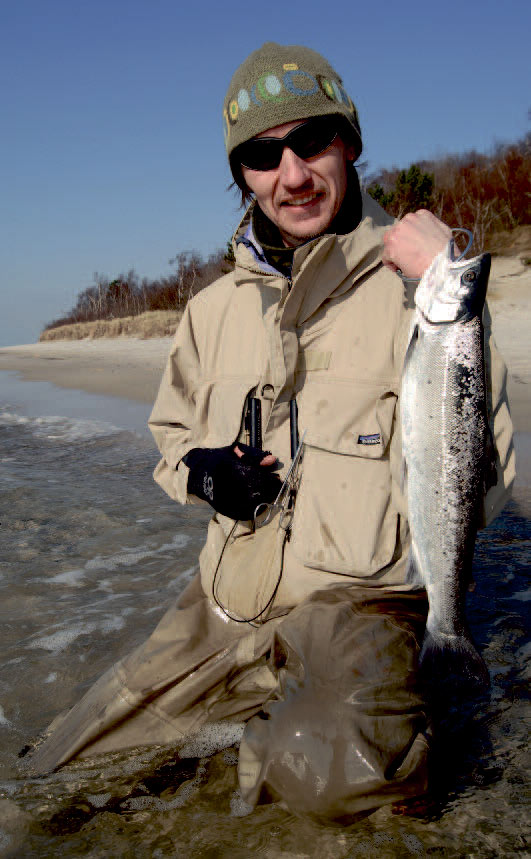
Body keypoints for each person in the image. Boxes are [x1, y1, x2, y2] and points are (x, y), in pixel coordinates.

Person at [27, 43, 515, 822]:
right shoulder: (209, 312)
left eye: (311, 140)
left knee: (348, 780)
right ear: (242, 173)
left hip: (361, 603)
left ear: (348, 141)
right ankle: (249, 726)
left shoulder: (425, 292)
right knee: (50, 779)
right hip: (229, 598)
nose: (291, 174)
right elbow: (172, 435)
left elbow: (483, 482)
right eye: (261, 153)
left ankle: (267, 738)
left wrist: (436, 279)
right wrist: (201, 471)